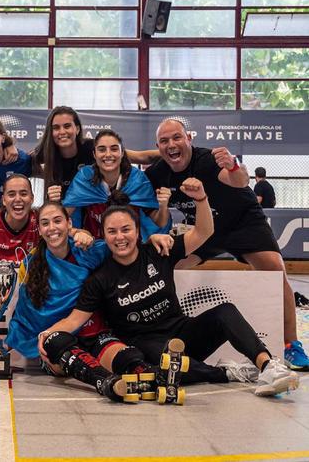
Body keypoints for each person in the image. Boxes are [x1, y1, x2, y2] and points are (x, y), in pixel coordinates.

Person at [40, 178, 300, 397]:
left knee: (225, 311)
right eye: (112, 232)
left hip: (182, 333)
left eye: (126, 229)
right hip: (147, 345)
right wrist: (46, 335)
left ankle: (267, 367)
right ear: (104, 236)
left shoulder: (158, 250)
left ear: (137, 231)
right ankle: (227, 372)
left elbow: (203, 233)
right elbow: (75, 319)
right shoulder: (100, 279)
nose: (120, 237)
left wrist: (201, 200)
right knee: (164, 362)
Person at [144, 118, 309, 370]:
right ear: (158, 146)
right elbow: (139, 160)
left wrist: (233, 165)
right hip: (205, 227)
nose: (172, 144)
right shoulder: (157, 173)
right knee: (168, 267)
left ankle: (291, 345)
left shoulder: (208, 159)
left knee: (275, 269)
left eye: (177, 137)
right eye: (164, 141)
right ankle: (165, 333)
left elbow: (241, 180)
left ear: (190, 139)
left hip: (244, 221)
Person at [6, 202, 173, 402]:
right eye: (45, 223)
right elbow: (27, 314)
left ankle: (161, 381)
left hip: (94, 332)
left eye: (57, 221)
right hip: (60, 340)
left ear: (68, 223)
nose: (52, 228)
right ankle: (106, 383)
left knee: (129, 358)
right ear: (39, 230)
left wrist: (150, 238)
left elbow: (123, 245)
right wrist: (6, 346)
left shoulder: (89, 251)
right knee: (54, 342)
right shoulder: (31, 264)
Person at [32, 106, 159, 203]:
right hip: (66, 214)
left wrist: (171, 153)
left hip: (93, 214)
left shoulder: (94, 148)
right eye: (56, 128)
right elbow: (18, 162)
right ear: (50, 131)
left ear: (77, 129)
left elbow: (142, 157)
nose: (62, 132)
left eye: (67, 126)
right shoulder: (43, 155)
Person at [62, 129, 170, 240]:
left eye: (114, 149)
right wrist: (76, 232)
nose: (108, 154)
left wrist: (162, 206)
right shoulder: (85, 177)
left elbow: (160, 223)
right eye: (102, 150)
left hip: (130, 248)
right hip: (94, 249)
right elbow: (63, 217)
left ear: (122, 153)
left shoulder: (137, 179)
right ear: (94, 154)